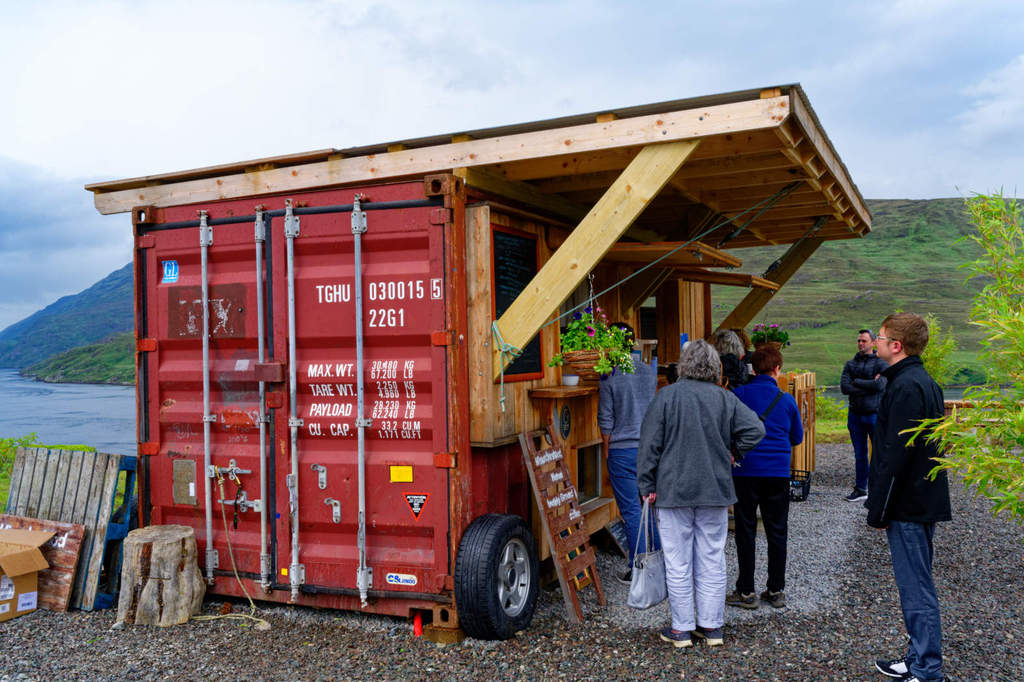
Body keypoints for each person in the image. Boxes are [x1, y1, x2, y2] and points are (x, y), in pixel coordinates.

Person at [637, 340, 764, 649]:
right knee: (712, 558)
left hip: (673, 490)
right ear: (714, 367)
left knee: (677, 561)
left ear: (684, 365)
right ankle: (712, 627)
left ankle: (681, 629)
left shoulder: (667, 396)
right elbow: (756, 430)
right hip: (715, 489)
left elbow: (649, 445)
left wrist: (646, 485)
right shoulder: (724, 397)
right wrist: (734, 452)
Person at [867, 313, 950, 682]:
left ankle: (928, 669)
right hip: (919, 499)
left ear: (896, 346)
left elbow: (895, 455)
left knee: (916, 587)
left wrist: (879, 508)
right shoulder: (922, 381)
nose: (876, 342)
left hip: (908, 504)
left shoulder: (905, 387)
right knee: (915, 584)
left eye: (881, 337)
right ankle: (917, 657)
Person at [726, 346, 804, 610]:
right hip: (777, 473)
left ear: (753, 369)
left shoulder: (738, 395)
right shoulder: (786, 400)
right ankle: (775, 589)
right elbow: (797, 438)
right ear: (777, 369)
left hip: (745, 470)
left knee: (745, 529)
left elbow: (728, 431)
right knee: (777, 530)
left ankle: (746, 590)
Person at [598, 322, 658, 583]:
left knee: (632, 511)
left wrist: (606, 452)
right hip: (648, 448)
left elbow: (606, 421)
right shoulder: (648, 371)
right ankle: (659, 563)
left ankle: (639, 569)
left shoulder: (609, 376)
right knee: (649, 508)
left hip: (622, 450)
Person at [841, 328, 888, 502]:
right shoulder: (850, 364)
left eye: (864, 341)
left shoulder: (881, 363)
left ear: (873, 343)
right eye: (859, 341)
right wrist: (869, 385)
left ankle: (879, 490)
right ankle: (861, 489)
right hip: (855, 415)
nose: (860, 344)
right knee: (860, 455)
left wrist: (857, 382)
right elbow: (844, 388)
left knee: (879, 453)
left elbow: (880, 385)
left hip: (874, 414)